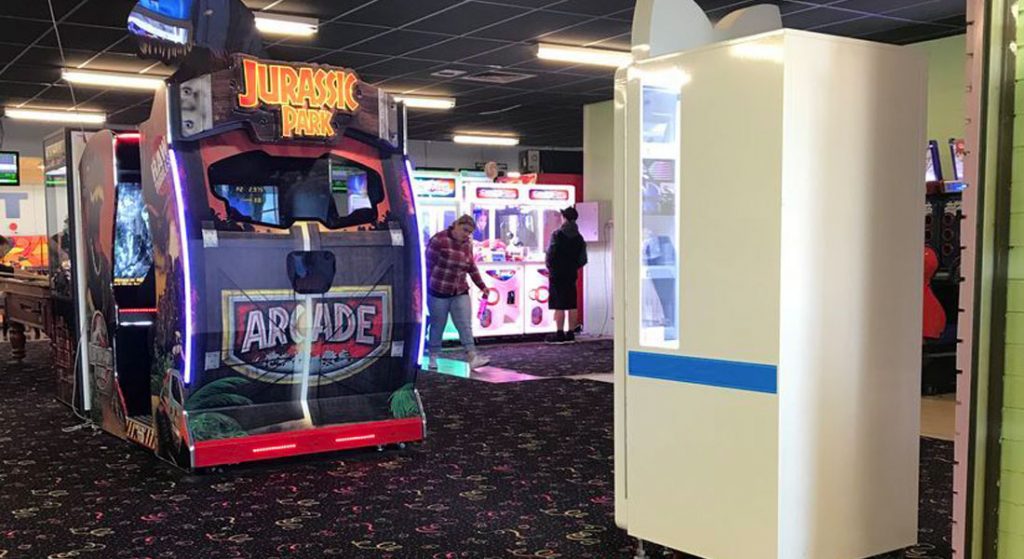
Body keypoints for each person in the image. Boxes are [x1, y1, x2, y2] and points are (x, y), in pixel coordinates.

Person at [425, 215, 490, 371]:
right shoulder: (439, 240)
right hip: (438, 289)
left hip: (459, 289)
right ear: (456, 225)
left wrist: (482, 286)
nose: (466, 234)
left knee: (465, 324)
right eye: (465, 230)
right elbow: (428, 264)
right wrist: (425, 287)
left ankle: (472, 356)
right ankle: (433, 356)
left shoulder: (467, 244)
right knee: (437, 325)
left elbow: (471, 266)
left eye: (469, 232)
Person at [545, 206, 588, 343]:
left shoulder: (557, 235)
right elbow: (583, 259)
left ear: (565, 218)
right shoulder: (579, 238)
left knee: (559, 304)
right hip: (571, 274)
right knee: (571, 303)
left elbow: (550, 254)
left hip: (557, 273)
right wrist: (573, 267)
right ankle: (570, 333)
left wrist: (550, 267)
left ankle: (559, 333)